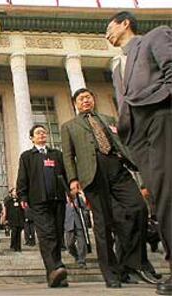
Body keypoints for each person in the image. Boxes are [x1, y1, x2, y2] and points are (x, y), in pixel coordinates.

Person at [61, 88, 158, 288]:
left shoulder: (109, 119)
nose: (85, 101)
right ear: (75, 104)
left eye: (88, 97)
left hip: (117, 168)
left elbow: (124, 142)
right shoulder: (70, 126)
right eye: (81, 99)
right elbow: (68, 156)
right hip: (93, 175)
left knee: (139, 209)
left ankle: (133, 262)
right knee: (103, 224)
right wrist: (73, 179)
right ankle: (111, 273)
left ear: (93, 100)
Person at [106, 11, 172, 295]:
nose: (106, 33)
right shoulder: (117, 64)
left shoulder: (155, 37)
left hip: (160, 116)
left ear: (125, 23)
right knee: (160, 198)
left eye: (109, 26)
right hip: (138, 136)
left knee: (168, 193)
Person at [16, 124, 68, 288]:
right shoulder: (27, 156)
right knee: (47, 234)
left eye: (44, 132)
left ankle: (56, 272)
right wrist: (22, 195)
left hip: (58, 199)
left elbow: (66, 174)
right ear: (32, 138)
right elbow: (22, 178)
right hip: (38, 201)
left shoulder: (56, 154)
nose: (42, 135)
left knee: (58, 234)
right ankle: (54, 269)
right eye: (38, 133)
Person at [64, 192, 89, 269]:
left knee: (81, 243)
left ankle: (82, 260)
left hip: (79, 224)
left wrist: (79, 209)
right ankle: (77, 256)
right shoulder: (64, 201)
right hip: (69, 225)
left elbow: (85, 210)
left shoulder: (79, 199)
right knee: (69, 244)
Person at [3, 188, 25, 252]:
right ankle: (14, 246)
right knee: (14, 233)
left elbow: (23, 210)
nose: (15, 193)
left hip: (19, 219)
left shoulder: (20, 200)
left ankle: (19, 247)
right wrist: (6, 219)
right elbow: (7, 211)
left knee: (19, 233)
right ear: (11, 193)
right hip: (12, 220)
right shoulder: (9, 201)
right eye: (14, 191)